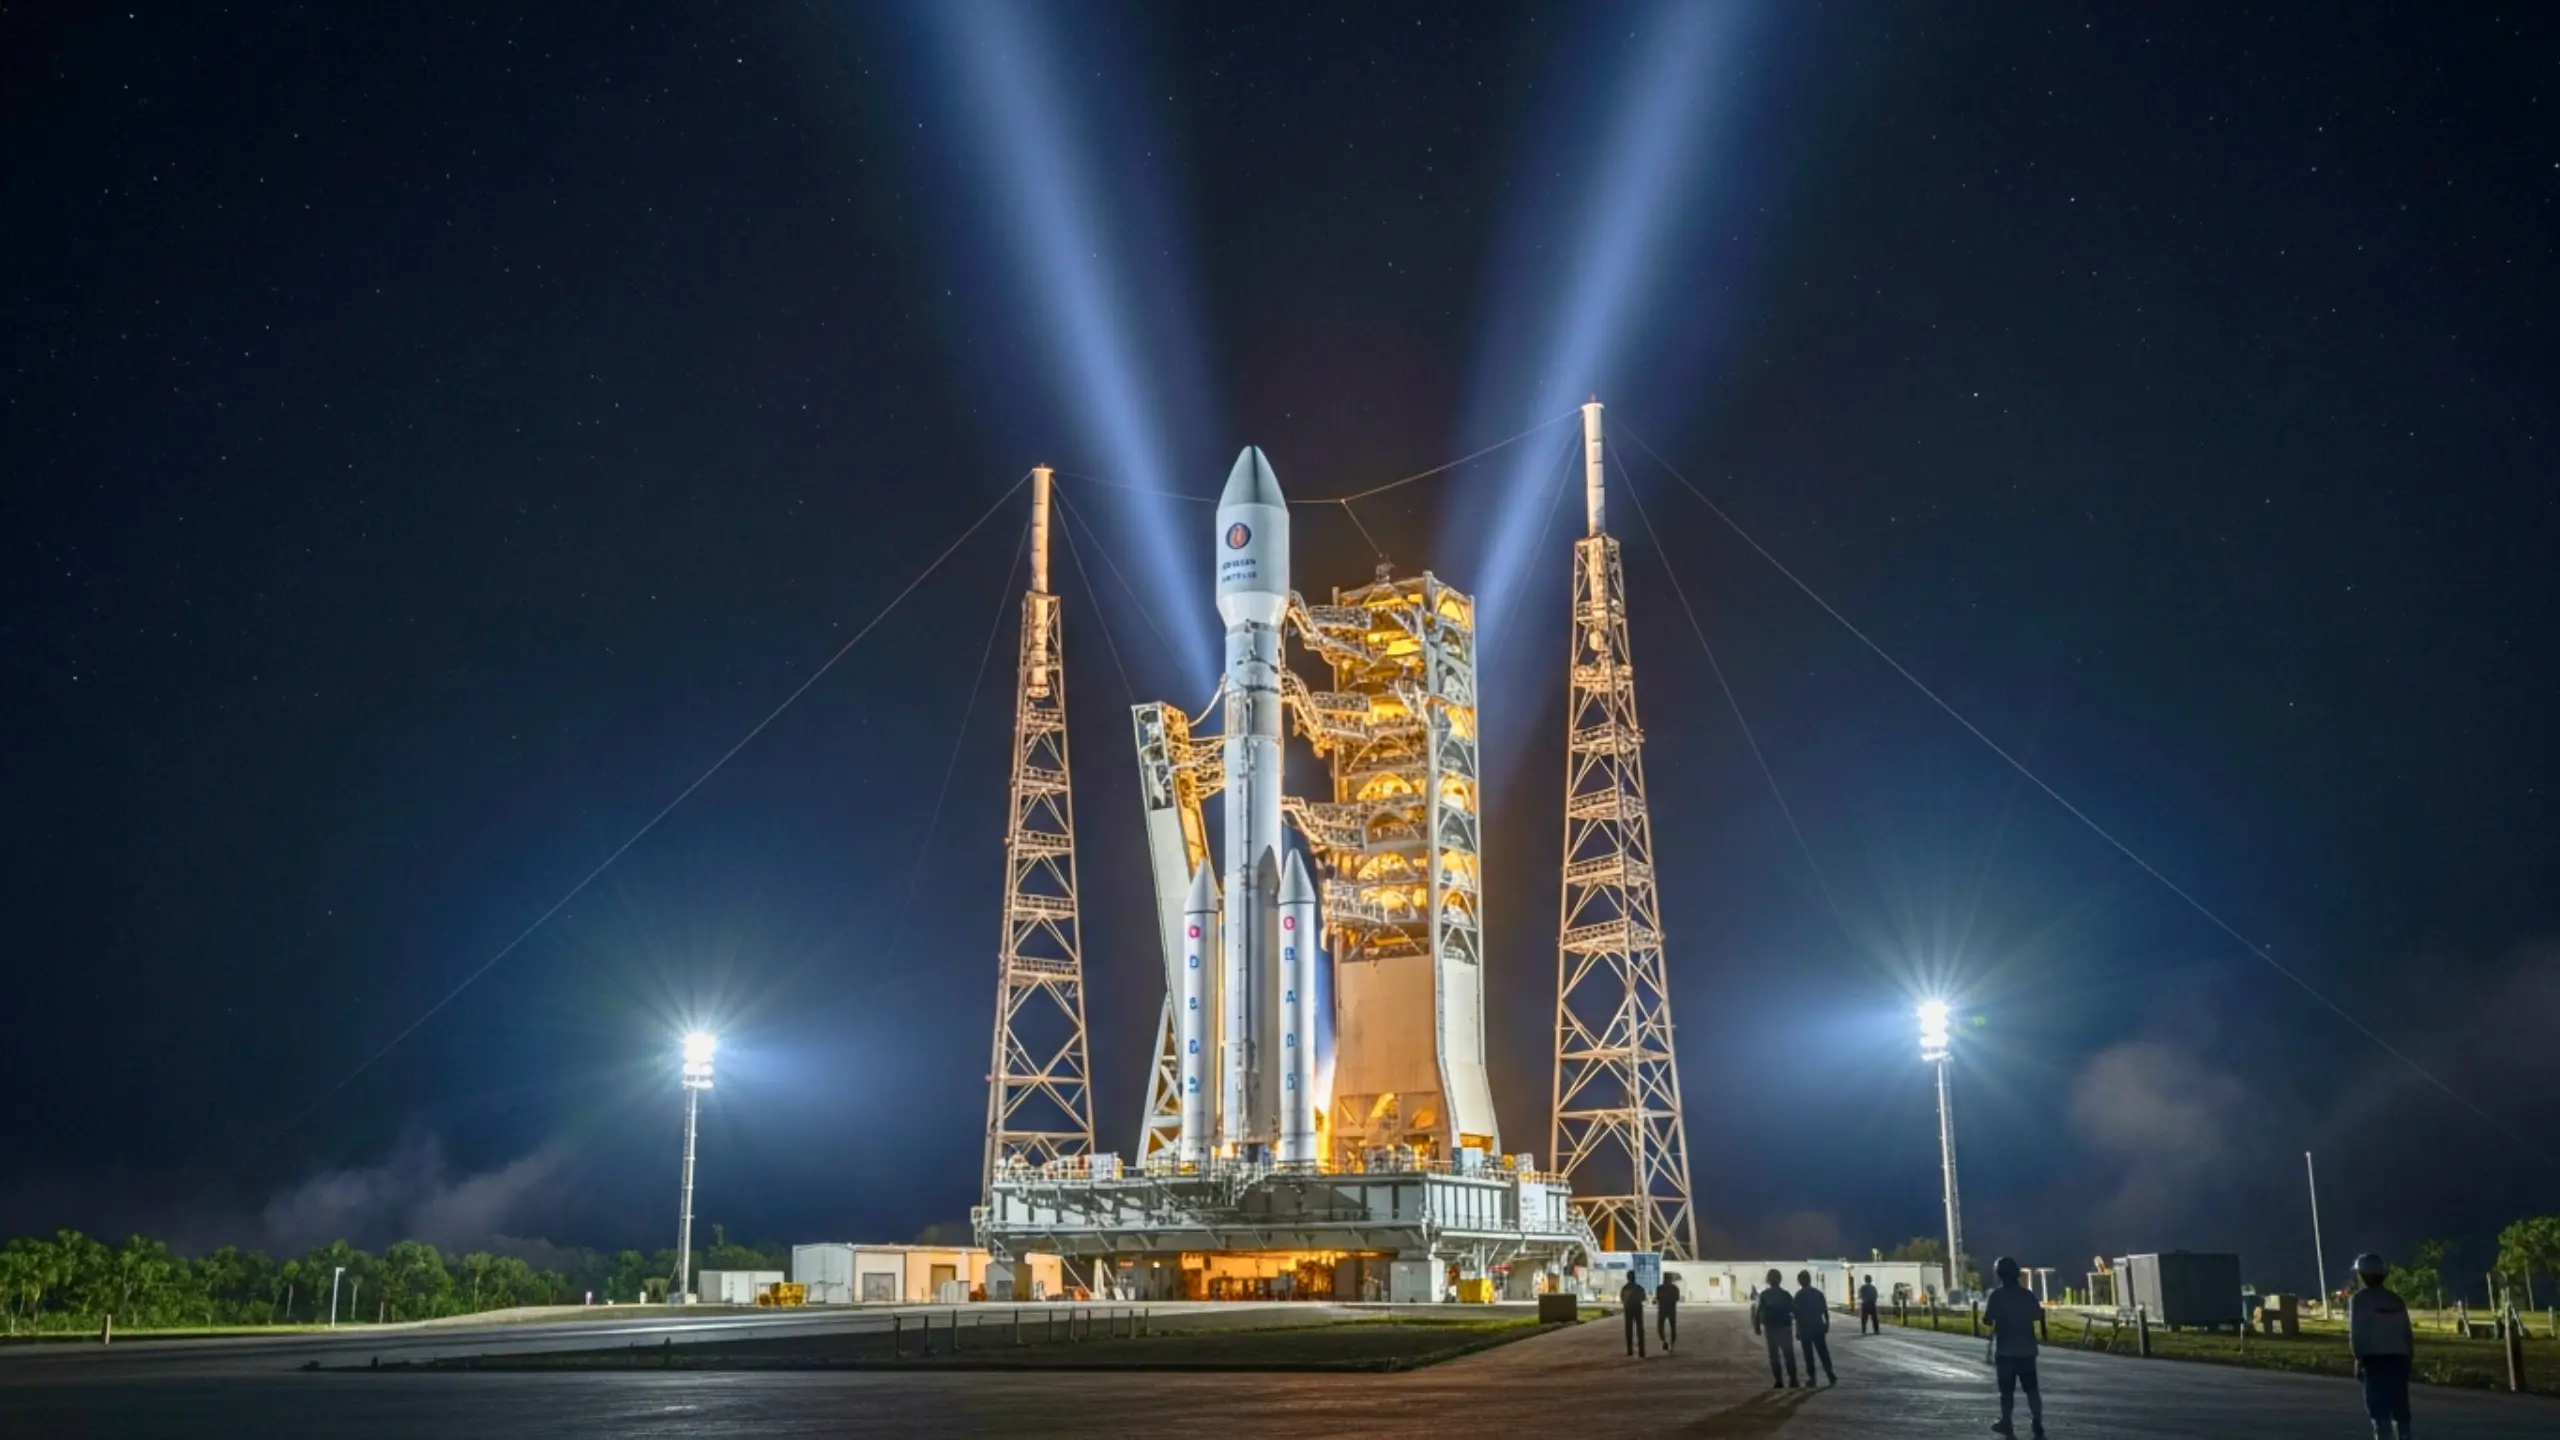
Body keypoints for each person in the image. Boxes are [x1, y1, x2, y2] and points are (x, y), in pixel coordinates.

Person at [2349, 1251, 2415, 1440]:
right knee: (2400, 1409)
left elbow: (2357, 1333)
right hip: (2399, 1358)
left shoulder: (2359, 1300)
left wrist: (2358, 1359)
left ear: (2361, 1275)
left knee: (2379, 1412)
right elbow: (2407, 1333)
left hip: (2374, 1359)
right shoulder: (2395, 1299)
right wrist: (2409, 1357)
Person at [1982, 1256, 2046, 1438]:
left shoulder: (1997, 1296)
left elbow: (1987, 1319)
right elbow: (2037, 1315)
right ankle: (2037, 1421)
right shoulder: (2027, 1295)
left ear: (2000, 1275)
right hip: (2027, 1350)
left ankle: (2006, 1422)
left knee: (2006, 1391)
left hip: (2005, 1351)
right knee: (2032, 1389)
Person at [1753, 1267, 1799, 1387]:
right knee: (1788, 1354)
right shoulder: (1785, 1294)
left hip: (1771, 1328)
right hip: (1785, 1327)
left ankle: (1779, 1381)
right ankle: (1793, 1379)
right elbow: (1794, 1311)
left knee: (1774, 1356)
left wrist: (1757, 1326)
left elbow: (1758, 1312)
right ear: (1780, 1279)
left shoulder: (1765, 1295)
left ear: (1768, 1280)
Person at [1794, 1269, 1837, 1384]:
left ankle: (1812, 1378)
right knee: (1823, 1351)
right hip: (1818, 1326)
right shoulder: (1818, 1293)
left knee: (1808, 1354)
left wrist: (1797, 1330)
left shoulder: (1799, 1296)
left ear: (1800, 1281)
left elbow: (1797, 1315)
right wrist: (1827, 1323)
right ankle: (1830, 1374)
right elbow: (1825, 1310)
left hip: (1805, 1328)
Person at [1620, 1272, 1649, 1358]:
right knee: (1640, 1330)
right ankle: (1641, 1351)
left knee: (1629, 1330)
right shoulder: (1639, 1288)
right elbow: (1643, 1298)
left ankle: (1630, 1350)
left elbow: (1622, 1299)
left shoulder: (1625, 1288)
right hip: (1638, 1309)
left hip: (1628, 1309)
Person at [1655, 1271, 1682, 1353]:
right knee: (1673, 1328)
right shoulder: (1674, 1288)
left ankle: (1664, 1341)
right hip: (1671, 1310)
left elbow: (1658, 1298)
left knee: (1660, 1327)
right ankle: (1672, 1345)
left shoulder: (1660, 1288)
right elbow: (1677, 1298)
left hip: (1662, 1310)